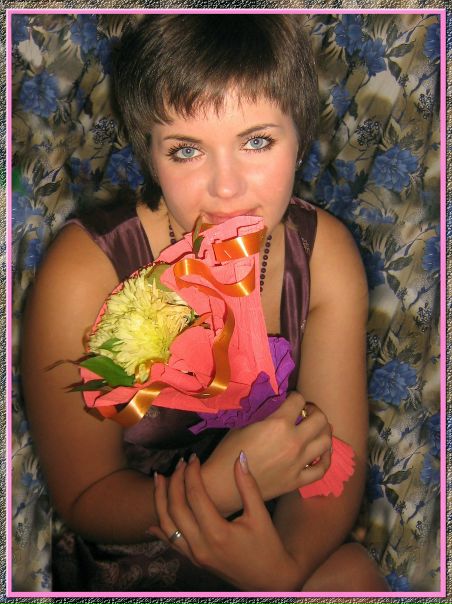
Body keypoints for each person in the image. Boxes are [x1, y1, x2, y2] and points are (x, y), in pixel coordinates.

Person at [21, 14, 389, 592]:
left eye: (257, 141)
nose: (226, 187)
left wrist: (281, 569)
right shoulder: (85, 272)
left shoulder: (323, 256)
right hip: (136, 556)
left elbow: (332, 465)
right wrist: (223, 483)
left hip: (274, 540)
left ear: (300, 137)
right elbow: (86, 496)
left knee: (353, 578)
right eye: (187, 150)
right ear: (151, 154)